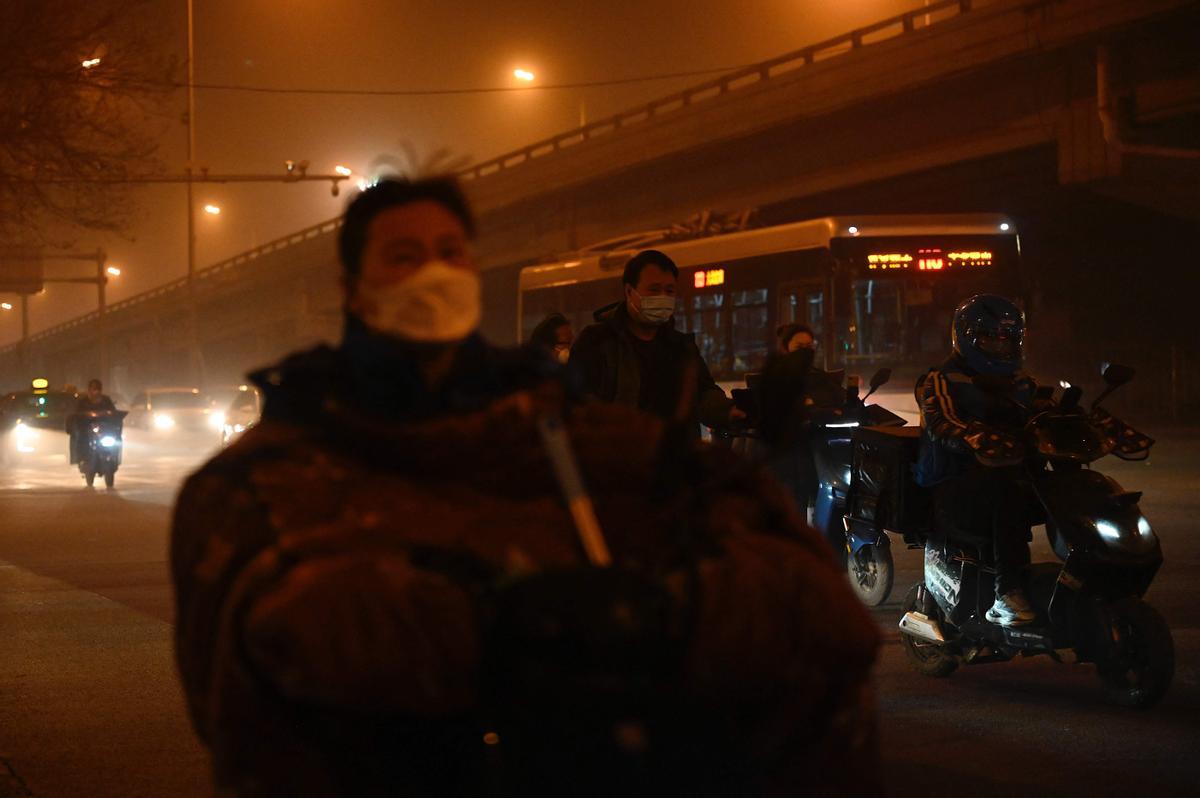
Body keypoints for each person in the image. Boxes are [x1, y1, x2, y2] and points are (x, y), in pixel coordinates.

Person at [171, 177, 880, 797]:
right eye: (404, 256)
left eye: (451, 254)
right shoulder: (271, 473)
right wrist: (497, 622)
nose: (433, 275)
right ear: (354, 288)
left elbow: (815, 616)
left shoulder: (551, 425)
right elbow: (249, 693)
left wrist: (664, 614)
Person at [914, 294, 1041, 626]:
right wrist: (975, 436)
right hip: (954, 485)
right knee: (1007, 491)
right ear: (967, 337)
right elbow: (941, 422)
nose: (1000, 346)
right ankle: (1007, 594)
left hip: (1006, 474)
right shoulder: (940, 380)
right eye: (990, 337)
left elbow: (1044, 415)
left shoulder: (1022, 383)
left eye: (1007, 339)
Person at [568, 249, 744, 436]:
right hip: (621, 458)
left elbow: (702, 395)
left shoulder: (682, 348)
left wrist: (728, 411)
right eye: (654, 290)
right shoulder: (597, 342)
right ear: (629, 291)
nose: (663, 297)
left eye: (669, 291)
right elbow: (577, 403)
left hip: (674, 459)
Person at [68, 378, 117, 464]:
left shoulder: (106, 400)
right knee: (80, 437)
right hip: (87, 428)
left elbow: (113, 413)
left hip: (103, 428)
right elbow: (76, 414)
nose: (96, 391)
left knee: (114, 439)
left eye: (98, 389)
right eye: (93, 388)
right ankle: (82, 458)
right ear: (89, 390)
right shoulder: (83, 402)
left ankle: (112, 457)